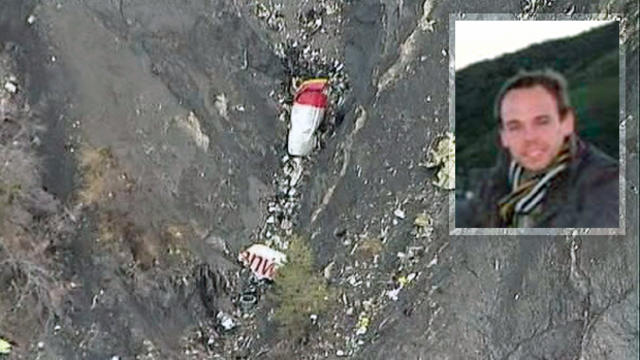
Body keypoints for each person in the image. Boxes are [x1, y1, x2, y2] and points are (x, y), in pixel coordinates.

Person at [457, 69, 619, 228]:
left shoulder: (607, 186)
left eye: (542, 122)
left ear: (567, 123)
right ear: (503, 136)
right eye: (515, 126)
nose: (530, 137)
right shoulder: (494, 187)